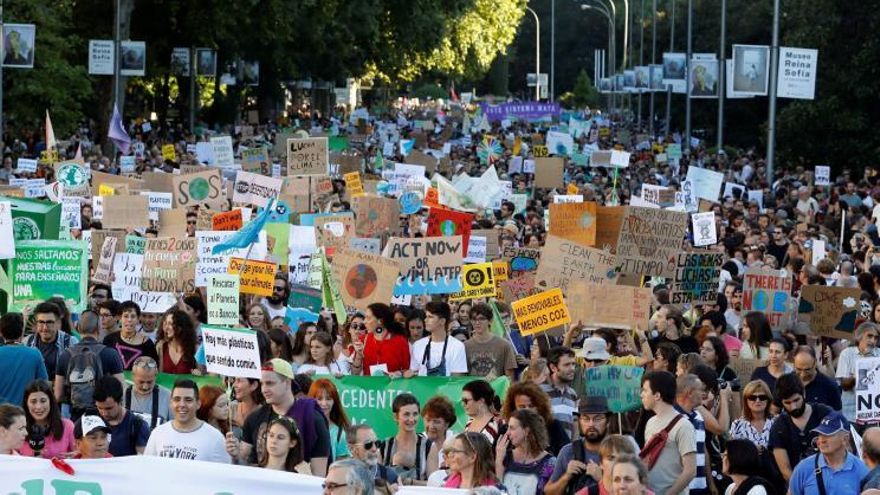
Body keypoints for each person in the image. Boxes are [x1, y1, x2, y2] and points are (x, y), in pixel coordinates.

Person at [230, 358, 330, 474]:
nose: (264, 389)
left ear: (287, 382)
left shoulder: (313, 419)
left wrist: (306, 477)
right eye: (262, 383)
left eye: (270, 383)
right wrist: (235, 454)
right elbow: (245, 465)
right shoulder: (254, 418)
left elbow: (319, 476)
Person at [54, 310, 125, 421]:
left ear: (77, 327)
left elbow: (58, 395)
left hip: (75, 417)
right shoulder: (110, 354)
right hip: (103, 416)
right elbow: (122, 390)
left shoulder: (65, 355)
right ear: (99, 328)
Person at [144, 379, 230, 463]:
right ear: (170, 403)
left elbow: (224, 473)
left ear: (198, 404)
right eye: (177, 399)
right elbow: (148, 469)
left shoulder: (215, 438)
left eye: (188, 400)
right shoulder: (158, 433)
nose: (182, 404)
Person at [640, 370, 697, 495]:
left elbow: (690, 471)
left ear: (657, 395)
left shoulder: (684, 426)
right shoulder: (650, 422)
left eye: (645, 390)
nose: (641, 395)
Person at [769, 372, 832, 482]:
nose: (793, 407)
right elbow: (785, 471)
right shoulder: (779, 427)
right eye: (787, 403)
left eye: (796, 400)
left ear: (803, 393)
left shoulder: (824, 414)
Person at [789, 411, 868, 495]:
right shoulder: (803, 468)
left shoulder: (861, 470)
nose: (822, 440)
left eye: (828, 435)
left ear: (845, 439)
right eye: (820, 435)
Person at [545, 396, 611, 495]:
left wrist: (601, 479)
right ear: (579, 420)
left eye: (597, 418)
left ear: (608, 421)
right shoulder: (568, 451)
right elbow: (548, 492)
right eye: (585, 418)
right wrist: (566, 476)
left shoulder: (618, 451)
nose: (591, 424)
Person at [495, 408, 556, 494]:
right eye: (507, 428)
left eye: (512, 428)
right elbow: (496, 492)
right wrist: (498, 462)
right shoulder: (504, 457)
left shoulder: (549, 463)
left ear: (526, 431)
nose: (507, 433)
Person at [501, 381, 570, 455]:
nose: (527, 410)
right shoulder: (506, 431)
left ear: (539, 406)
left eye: (531, 406)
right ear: (513, 408)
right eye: (522, 407)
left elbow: (567, 455)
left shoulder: (553, 426)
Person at [380, 393, 433, 485]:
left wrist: (411, 482)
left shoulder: (429, 446)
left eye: (415, 414)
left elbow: (433, 484)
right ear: (396, 417)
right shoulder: (384, 447)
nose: (412, 419)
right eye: (406, 414)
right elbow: (377, 482)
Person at [407, 301, 468, 377]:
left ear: (442, 321)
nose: (425, 320)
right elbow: (413, 372)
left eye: (430, 317)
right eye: (426, 316)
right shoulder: (418, 345)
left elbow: (456, 380)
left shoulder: (457, 346)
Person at [93, 375, 150, 456]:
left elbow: (143, 461)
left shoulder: (138, 426)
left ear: (121, 401)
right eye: (99, 408)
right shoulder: (90, 420)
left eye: (109, 408)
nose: (104, 413)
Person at [0, 313, 48, 406]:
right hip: (25, 414)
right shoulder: (34, 354)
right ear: (22, 330)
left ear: (1, 332)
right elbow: (44, 385)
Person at [351, 303, 411, 377]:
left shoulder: (400, 341)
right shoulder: (362, 340)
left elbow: (407, 370)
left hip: (392, 387)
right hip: (369, 387)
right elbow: (354, 373)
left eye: (368, 318)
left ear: (380, 321)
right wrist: (359, 355)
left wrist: (398, 373)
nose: (364, 322)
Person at [18, 380, 75, 458]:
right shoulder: (18, 429)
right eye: (33, 402)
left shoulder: (68, 426)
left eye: (43, 401)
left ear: (51, 402)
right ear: (26, 403)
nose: (38, 407)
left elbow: (79, 455)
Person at [674, 374, 710, 495]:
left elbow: (703, 450)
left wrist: (710, 482)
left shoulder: (699, 416)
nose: (703, 393)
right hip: (682, 488)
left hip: (701, 486)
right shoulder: (673, 417)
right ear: (689, 393)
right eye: (700, 390)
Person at [837, 322, 880, 422]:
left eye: (876, 338)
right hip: (851, 414)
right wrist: (857, 377)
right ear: (859, 336)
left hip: (874, 415)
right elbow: (843, 385)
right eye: (869, 336)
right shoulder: (847, 354)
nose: (873, 341)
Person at [26, 302, 78, 379]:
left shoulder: (71, 342)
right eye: (41, 322)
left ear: (58, 323)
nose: (45, 328)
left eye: (49, 322)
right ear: (36, 323)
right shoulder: (27, 342)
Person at [464, 303, 517, 380]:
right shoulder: (464, 346)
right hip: (473, 390)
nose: (477, 322)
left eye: (481, 319)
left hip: (497, 391)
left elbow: (509, 378)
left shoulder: (504, 345)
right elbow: (461, 378)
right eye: (474, 319)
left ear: (490, 320)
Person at [730, 380, 776, 459]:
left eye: (762, 397)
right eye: (752, 398)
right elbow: (732, 453)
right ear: (746, 401)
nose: (757, 401)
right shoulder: (737, 425)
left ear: (768, 400)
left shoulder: (777, 423)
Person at [309, 378, 352, 462]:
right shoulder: (302, 425)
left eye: (328, 399)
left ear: (334, 401)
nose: (324, 403)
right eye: (319, 399)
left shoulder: (339, 433)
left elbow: (341, 467)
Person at [542, 346, 580, 441]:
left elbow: (575, 428)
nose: (572, 368)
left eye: (573, 364)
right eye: (566, 365)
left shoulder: (572, 394)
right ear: (553, 367)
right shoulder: (539, 391)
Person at [125, 356, 172, 430]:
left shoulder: (168, 396)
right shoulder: (122, 393)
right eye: (141, 382)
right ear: (132, 375)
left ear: (156, 375)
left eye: (149, 382)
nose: (145, 387)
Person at [347, 423, 399, 487]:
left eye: (377, 443)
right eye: (368, 444)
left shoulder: (389, 475)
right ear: (352, 449)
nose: (374, 449)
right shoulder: (339, 475)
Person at [793, 346, 842, 411]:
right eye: (799, 369)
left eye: (807, 370)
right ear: (794, 362)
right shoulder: (786, 383)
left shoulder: (829, 385)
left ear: (815, 363)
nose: (803, 374)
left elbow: (837, 415)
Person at [155, 308, 198, 375]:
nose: (166, 328)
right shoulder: (161, 346)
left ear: (180, 327)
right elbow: (159, 375)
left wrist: (198, 373)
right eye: (165, 323)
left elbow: (201, 374)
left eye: (170, 324)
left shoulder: (194, 348)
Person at [421, 395, 457, 472]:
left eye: (436, 422)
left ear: (447, 424)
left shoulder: (457, 442)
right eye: (428, 420)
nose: (431, 426)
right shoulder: (418, 442)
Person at [462, 379, 502, 445]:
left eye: (466, 401)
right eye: (462, 401)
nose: (463, 404)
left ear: (481, 401)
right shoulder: (469, 423)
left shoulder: (495, 426)